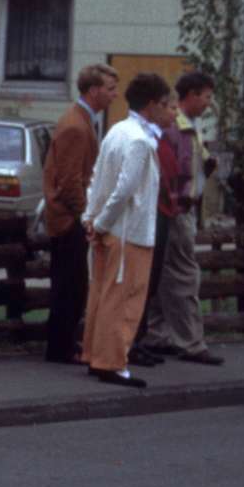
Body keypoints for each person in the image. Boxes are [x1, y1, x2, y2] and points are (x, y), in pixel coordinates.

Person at [79, 73, 174, 389]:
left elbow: (98, 179)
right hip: (129, 233)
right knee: (125, 301)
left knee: (103, 296)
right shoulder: (139, 140)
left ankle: (95, 355)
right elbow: (123, 190)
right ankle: (112, 362)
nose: (168, 110)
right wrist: (100, 222)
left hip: (111, 230)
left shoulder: (117, 131)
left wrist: (92, 218)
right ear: (151, 105)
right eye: (165, 104)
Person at [139, 71, 223, 366]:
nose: (209, 103)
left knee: (164, 273)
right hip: (178, 210)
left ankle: (157, 334)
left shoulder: (189, 127)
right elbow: (172, 172)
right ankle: (191, 342)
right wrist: (177, 206)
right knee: (185, 274)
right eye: (207, 97)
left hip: (180, 209)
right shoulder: (178, 128)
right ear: (192, 95)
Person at [43, 63, 119, 365]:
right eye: (110, 89)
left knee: (72, 285)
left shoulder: (82, 120)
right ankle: (60, 349)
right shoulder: (76, 125)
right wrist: (86, 217)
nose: (114, 95)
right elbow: (70, 180)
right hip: (68, 220)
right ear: (94, 90)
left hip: (70, 217)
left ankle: (62, 346)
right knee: (70, 287)